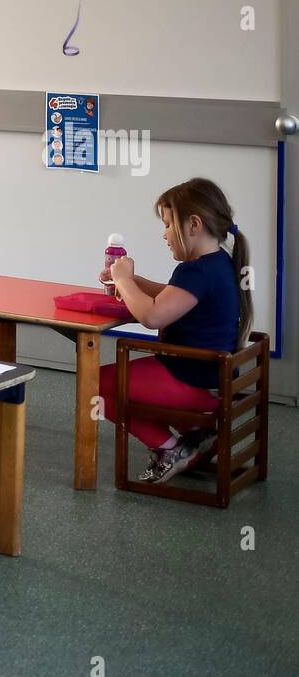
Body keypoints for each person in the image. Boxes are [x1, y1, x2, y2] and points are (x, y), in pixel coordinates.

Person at [99, 178, 252, 484]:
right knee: (117, 380)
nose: (164, 235)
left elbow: (153, 316)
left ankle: (171, 449)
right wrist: (131, 281)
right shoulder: (218, 263)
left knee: (97, 382)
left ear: (193, 225)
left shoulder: (195, 270)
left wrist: (126, 281)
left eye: (168, 225)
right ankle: (192, 433)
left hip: (194, 385)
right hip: (211, 382)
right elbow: (171, 296)